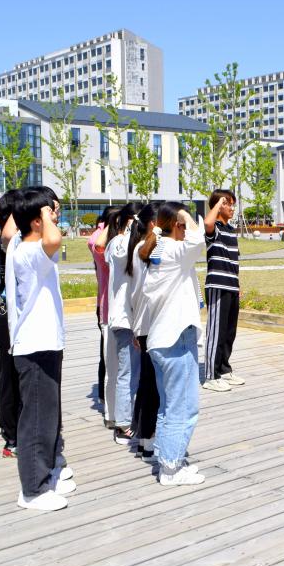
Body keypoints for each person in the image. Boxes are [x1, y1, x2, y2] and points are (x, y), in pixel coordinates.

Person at [5, 188, 75, 510]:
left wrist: (40, 207)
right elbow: (54, 239)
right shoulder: (29, 252)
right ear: (36, 221)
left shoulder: (23, 246)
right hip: (35, 345)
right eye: (49, 213)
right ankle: (32, 489)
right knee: (36, 420)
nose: (55, 217)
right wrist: (45, 212)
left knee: (46, 416)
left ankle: (44, 476)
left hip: (44, 343)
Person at [138, 202, 205, 486]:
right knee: (183, 408)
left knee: (168, 407)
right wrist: (185, 215)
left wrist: (177, 219)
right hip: (176, 338)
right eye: (184, 223)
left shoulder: (157, 250)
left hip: (161, 339)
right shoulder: (174, 251)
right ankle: (171, 469)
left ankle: (168, 459)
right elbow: (198, 240)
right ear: (177, 225)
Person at [102, 202, 144, 445]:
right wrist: (130, 228)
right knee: (127, 373)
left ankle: (130, 419)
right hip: (124, 319)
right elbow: (119, 253)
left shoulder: (134, 243)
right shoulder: (118, 243)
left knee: (135, 373)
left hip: (135, 318)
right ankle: (123, 425)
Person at [126, 205, 159, 461]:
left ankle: (142, 439)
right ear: (154, 224)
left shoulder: (138, 248)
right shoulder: (146, 250)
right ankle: (148, 441)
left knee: (147, 384)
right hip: (151, 324)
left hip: (143, 324)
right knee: (152, 388)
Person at [0, 189, 23, 458]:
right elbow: (8, 235)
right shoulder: (8, 240)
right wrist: (18, 209)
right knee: (11, 379)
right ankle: (11, 435)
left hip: (13, 317)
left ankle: (19, 430)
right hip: (8, 318)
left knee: (18, 377)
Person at [203, 189, 243, 392]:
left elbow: (233, 261)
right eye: (229, 204)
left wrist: (238, 285)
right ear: (219, 206)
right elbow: (207, 223)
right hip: (217, 285)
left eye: (233, 204)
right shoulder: (215, 229)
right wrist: (218, 203)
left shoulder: (231, 230)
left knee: (229, 332)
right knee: (216, 332)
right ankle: (211, 376)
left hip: (231, 285)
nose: (232, 208)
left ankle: (224, 369)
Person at [88, 206, 116, 411]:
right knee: (107, 355)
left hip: (114, 305)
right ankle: (105, 396)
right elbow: (95, 244)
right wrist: (107, 226)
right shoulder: (100, 240)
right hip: (106, 305)